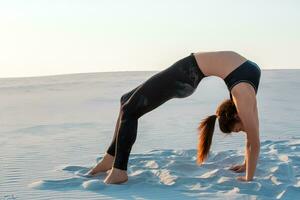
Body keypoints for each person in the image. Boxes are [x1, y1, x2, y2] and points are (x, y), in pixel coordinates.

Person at [87, 51, 261, 184]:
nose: (243, 130)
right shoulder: (244, 97)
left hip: (187, 73)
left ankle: (119, 171)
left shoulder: (244, 97)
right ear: (237, 115)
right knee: (126, 101)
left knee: (130, 110)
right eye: (239, 129)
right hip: (187, 72)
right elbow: (253, 142)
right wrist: (248, 171)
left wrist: (248, 175)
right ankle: (110, 159)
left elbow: (253, 140)